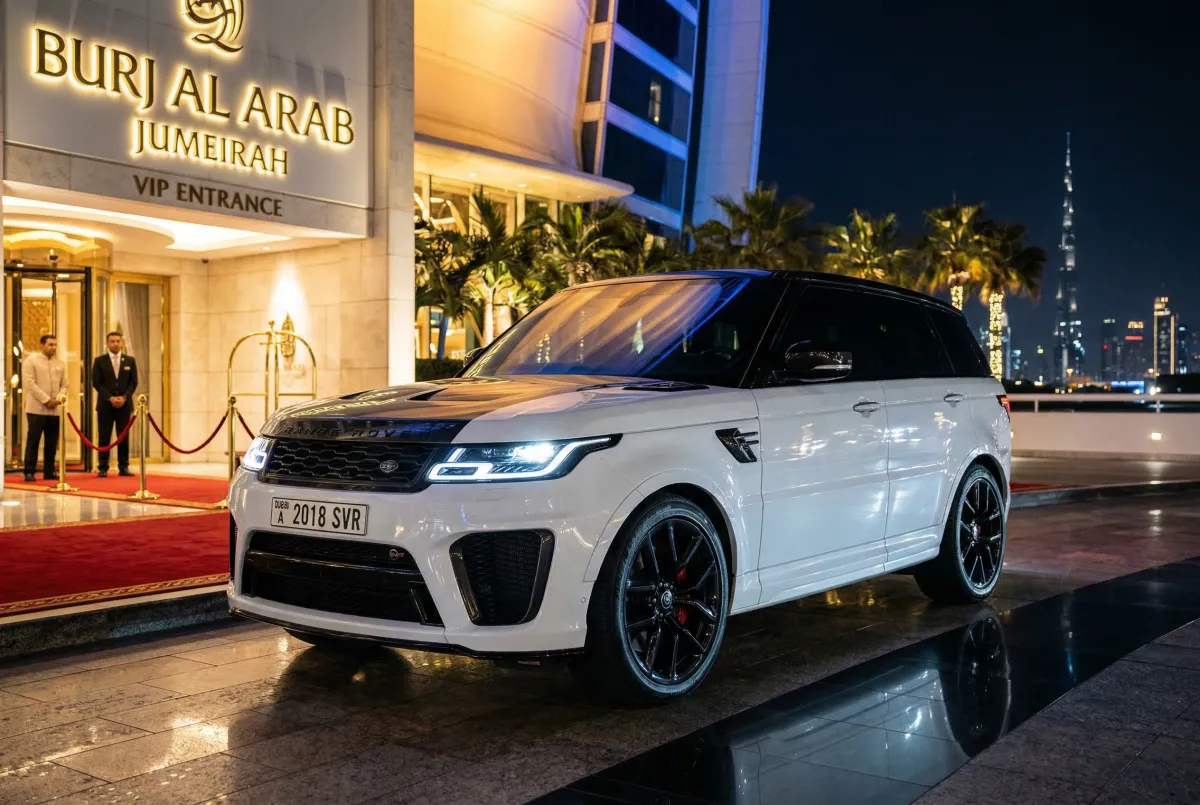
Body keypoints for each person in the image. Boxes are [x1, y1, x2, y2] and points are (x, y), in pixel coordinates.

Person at [91, 332, 139, 477]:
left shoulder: (129, 361)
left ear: (121, 342)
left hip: (124, 406)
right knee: (104, 436)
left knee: (123, 436)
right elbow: (96, 383)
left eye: (118, 341)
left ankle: (123, 467)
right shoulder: (100, 361)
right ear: (107, 343)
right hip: (106, 405)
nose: (115, 344)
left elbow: (134, 382)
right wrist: (110, 398)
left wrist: (124, 397)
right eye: (112, 341)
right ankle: (103, 467)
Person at [22, 334, 68, 483]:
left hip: (54, 409)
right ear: (41, 345)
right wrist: (46, 399)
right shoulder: (31, 361)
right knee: (33, 440)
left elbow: (65, 385)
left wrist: (59, 398)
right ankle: (29, 471)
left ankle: (49, 471)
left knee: (52, 442)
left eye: (55, 345)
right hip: (36, 408)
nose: (53, 347)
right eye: (50, 344)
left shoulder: (60, 363)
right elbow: (30, 383)